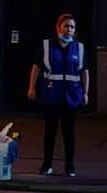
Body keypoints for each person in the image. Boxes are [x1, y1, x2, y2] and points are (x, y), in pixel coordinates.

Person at [27, 13, 89, 176]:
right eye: (66, 26)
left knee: (69, 132)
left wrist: (86, 92)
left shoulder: (79, 48)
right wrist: (32, 88)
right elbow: (36, 68)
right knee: (50, 131)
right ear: (58, 27)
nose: (69, 30)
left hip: (72, 96)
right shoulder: (46, 45)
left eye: (72, 27)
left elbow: (84, 72)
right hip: (51, 94)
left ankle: (70, 166)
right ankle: (47, 165)